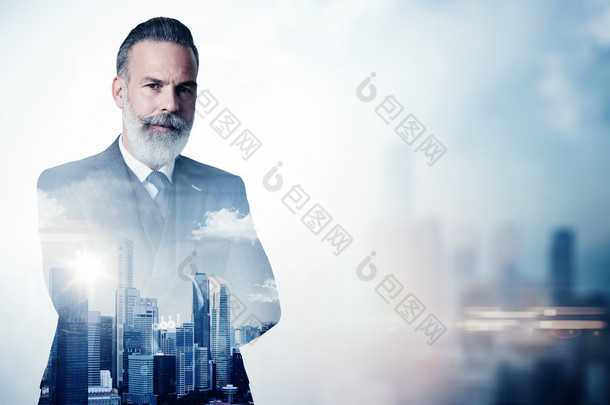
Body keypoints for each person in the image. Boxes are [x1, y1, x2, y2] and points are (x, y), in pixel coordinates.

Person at [37, 17, 280, 405]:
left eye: (184, 89)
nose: (171, 104)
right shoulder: (62, 186)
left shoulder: (225, 188)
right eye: (153, 86)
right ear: (120, 92)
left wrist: (194, 347)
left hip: (206, 392)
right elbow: (77, 308)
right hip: (95, 392)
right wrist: (201, 312)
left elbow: (264, 306)